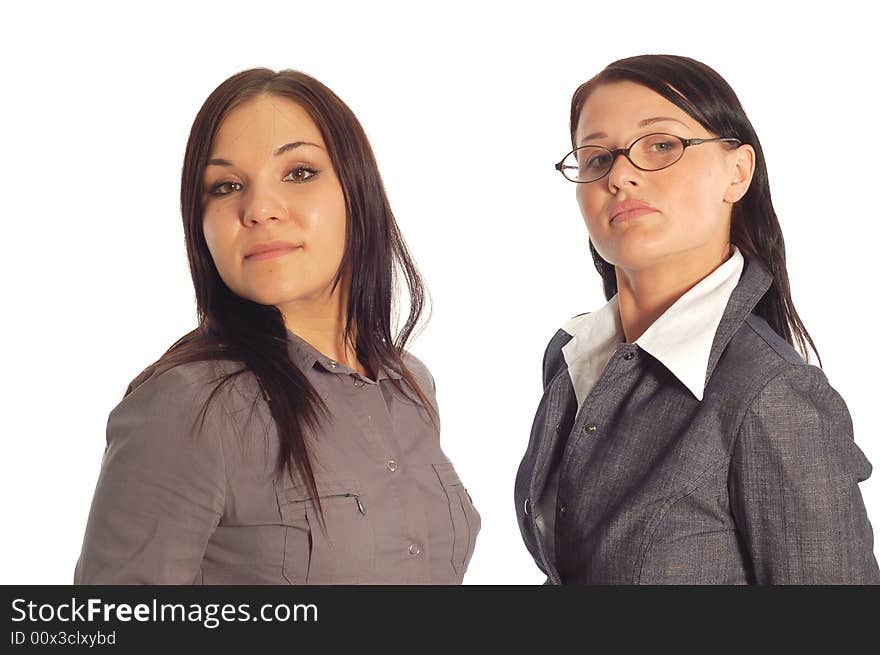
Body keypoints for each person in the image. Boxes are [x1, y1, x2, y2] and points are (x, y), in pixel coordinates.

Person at [75, 68, 480, 584]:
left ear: (358, 193)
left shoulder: (411, 386)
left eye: (299, 173)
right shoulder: (189, 405)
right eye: (226, 186)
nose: (259, 208)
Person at [514, 54, 879, 584]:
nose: (619, 175)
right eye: (596, 159)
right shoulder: (572, 357)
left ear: (737, 173)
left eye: (661, 145)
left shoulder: (772, 393)